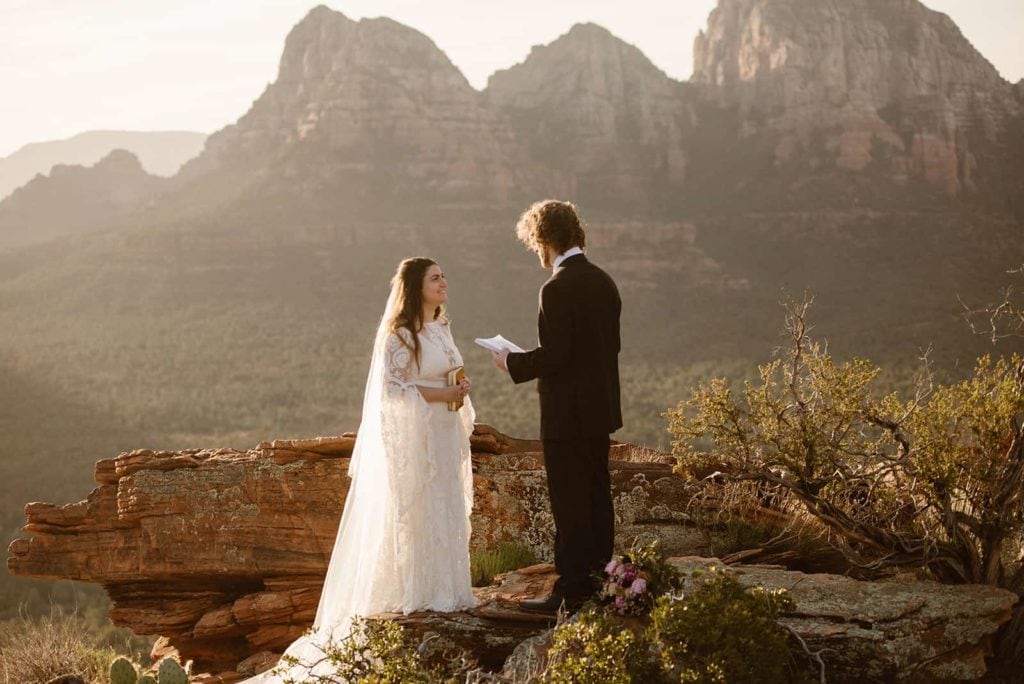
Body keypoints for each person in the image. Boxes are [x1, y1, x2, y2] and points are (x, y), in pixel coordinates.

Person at [242, 257, 477, 682]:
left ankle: (451, 590)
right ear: (415, 287)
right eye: (435, 278)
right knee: (418, 509)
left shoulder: (442, 327)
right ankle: (418, 592)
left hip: (442, 438)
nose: (444, 282)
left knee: (444, 507)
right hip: (417, 441)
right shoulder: (400, 336)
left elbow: (445, 375)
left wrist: (460, 390)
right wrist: (444, 394)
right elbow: (394, 390)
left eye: (443, 276)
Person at [492, 199, 622, 613]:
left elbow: (557, 355)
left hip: (567, 414)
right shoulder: (605, 282)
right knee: (598, 495)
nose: (536, 251)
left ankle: (570, 590)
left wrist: (511, 361)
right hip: (600, 410)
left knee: (567, 501)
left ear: (544, 238)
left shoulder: (556, 287)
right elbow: (604, 349)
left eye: (535, 243)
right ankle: (603, 577)